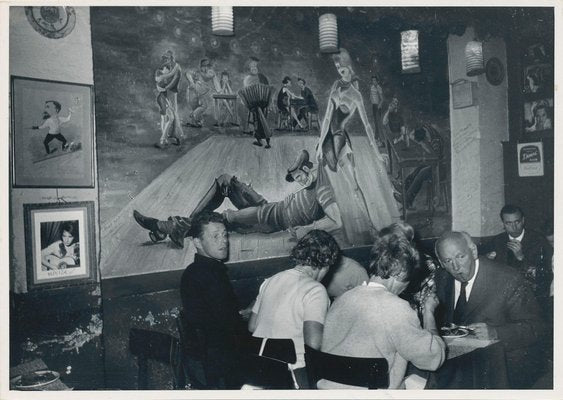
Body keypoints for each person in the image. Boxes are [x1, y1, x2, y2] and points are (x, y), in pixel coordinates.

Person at [133, 149, 342, 249]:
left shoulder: (323, 191)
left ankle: (165, 227)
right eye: (297, 179)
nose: (300, 181)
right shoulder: (317, 174)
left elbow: (337, 221)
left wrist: (308, 229)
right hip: (267, 207)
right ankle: (177, 229)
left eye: (300, 177)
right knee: (225, 180)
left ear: (306, 169)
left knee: (225, 218)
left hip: (269, 221)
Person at [321, 233, 446, 389]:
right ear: (399, 273)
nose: (406, 287)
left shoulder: (340, 300)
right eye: (408, 279)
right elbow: (432, 360)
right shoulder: (397, 308)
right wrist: (429, 313)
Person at [434, 231, 546, 388]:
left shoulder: (508, 279)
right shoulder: (441, 278)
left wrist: (496, 333)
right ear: (441, 262)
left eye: (461, 257)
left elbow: (537, 327)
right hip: (458, 364)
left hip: (500, 367)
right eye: (448, 260)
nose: (456, 267)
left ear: (473, 251)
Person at [317, 48, 399, 240]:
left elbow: (368, 126)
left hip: (341, 142)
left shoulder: (356, 96)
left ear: (349, 66)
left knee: (354, 186)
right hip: (328, 141)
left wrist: (377, 152)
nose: (339, 70)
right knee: (323, 183)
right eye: (337, 67)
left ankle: (371, 225)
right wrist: (319, 144)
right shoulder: (336, 87)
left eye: (342, 67)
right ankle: (329, 224)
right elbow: (327, 117)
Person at [248, 230, 340, 389]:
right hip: (292, 373)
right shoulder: (315, 290)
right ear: (326, 263)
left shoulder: (270, 280)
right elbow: (313, 343)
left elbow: (252, 326)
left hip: (259, 367)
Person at [179, 211, 246, 389]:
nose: (224, 241)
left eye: (225, 235)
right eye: (215, 236)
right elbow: (228, 325)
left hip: (214, 354)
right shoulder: (207, 274)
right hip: (221, 361)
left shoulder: (200, 270)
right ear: (197, 242)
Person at [480, 205, 553, 296]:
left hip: (529, 292)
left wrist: (521, 257)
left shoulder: (538, 240)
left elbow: (544, 274)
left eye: (517, 222)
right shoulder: (498, 240)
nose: (514, 227)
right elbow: (479, 256)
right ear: (503, 224)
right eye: (508, 223)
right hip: (502, 291)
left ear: (523, 220)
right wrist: (487, 259)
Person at [392, 124, 445, 209]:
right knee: (418, 170)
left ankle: (407, 200)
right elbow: (413, 135)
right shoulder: (424, 130)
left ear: (424, 138)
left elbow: (435, 159)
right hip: (432, 164)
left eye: (422, 141)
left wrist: (424, 146)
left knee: (421, 173)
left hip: (439, 169)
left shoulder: (436, 141)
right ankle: (404, 187)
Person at [153, 50, 184, 148]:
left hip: (163, 98)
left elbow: (172, 77)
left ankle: (165, 138)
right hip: (163, 98)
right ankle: (164, 138)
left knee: (165, 118)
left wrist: (165, 80)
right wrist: (164, 82)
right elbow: (162, 84)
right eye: (166, 68)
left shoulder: (171, 71)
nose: (167, 69)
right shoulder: (162, 78)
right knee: (169, 118)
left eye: (168, 58)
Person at [242, 56, 272, 148]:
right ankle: (259, 139)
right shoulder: (247, 79)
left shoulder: (262, 77)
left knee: (263, 120)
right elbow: (246, 92)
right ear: (249, 67)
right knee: (257, 120)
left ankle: (266, 140)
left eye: (256, 66)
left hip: (263, 102)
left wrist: (269, 102)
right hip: (253, 104)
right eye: (252, 66)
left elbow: (268, 89)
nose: (254, 68)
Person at [185, 58, 220, 128]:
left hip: (201, 92)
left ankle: (194, 117)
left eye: (207, 66)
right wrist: (192, 82)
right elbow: (187, 73)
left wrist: (219, 90)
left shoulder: (210, 73)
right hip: (193, 92)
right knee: (196, 107)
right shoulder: (196, 72)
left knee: (203, 106)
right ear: (201, 66)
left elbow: (215, 80)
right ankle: (195, 120)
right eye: (204, 66)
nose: (206, 68)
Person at [369, 74, 385, 147]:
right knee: (375, 123)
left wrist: (379, 106)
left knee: (378, 123)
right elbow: (371, 96)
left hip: (378, 106)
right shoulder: (372, 87)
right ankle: (376, 139)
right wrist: (372, 102)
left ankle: (381, 141)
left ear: (377, 81)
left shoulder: (379, 88)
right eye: (372, 80)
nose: (373, 82)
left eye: (375, 80)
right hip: (374, 106)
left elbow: (382, 99)